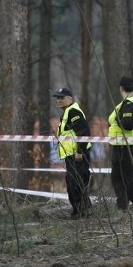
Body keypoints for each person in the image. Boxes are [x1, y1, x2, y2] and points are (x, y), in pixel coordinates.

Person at [52, 87, 92, 219]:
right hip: (71, 155)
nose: (59, 100)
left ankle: (80, 212)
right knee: (73, 184)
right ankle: (82, 210)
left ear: (70, 98)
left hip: (78, 155)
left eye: (62, 97)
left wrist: (80, 152)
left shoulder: (73, 111)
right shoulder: (67, 112)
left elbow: (84, 132)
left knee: (75, 184)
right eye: (57, 98)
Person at [108, 76, 133, 213]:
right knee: (119, 176)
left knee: (124, 176)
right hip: (123, 145)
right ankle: (123, 205)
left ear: (121, 88)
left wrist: (119, 118)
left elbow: (129, 125)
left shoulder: (129, 104)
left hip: (125, 146)